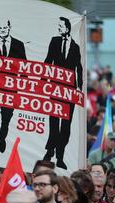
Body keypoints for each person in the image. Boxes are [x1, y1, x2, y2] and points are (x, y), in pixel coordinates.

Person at [42, 17, 83, 170]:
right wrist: (43, 80)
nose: (58, 28)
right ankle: (50, 150)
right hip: (54, 88)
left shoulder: (76, 46)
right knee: (53, 120)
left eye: (60, 26)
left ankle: (60, 155)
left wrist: (79, 87)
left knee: (66, 124)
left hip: (70, 91)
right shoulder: (54, 41)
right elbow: (48, 60)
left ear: (67, 27)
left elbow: (79, 67)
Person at [0, 19, 26, 153]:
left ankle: (2, 138)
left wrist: (21, 85)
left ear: (9, 27)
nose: (2, 30)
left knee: (6, 118)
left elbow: (24, 66)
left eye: (5, 27)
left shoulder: (18, 45)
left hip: (11, 89)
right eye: (0, 28)